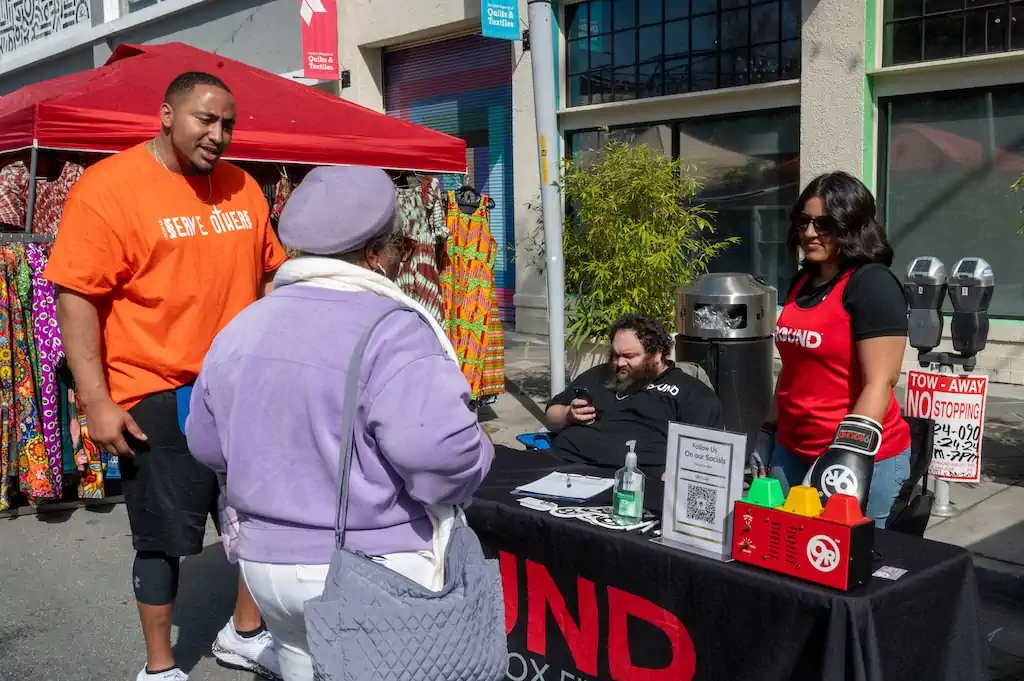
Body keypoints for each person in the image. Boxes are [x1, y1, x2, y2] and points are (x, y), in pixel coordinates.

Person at [185, 165, 495, 681]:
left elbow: (206, 443)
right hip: (372, 564)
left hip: (265, 567)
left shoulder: (242, 326)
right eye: (397, 247)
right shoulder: (392, 330)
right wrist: (480, 451)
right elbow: (440, 457)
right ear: (376, 254)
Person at [44, 72, 288, 681]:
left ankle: (244, 633)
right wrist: (96, 400)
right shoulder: (109, 188)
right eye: (205, 119)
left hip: (238, 391)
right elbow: (76, 298)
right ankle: (160, 667)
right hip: (156, 391)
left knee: (258, 521)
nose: (218, 134)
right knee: (162, 540)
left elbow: (268, 277)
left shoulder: (243, 187)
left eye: (227, 124)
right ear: (166, 114)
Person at [753, 171, 911, 528]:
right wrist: (767, 430)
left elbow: (880, 381)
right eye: (803, 222)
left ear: (851, 226)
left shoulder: (872, 284)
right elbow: (792, 368)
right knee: (783, 545)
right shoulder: (803, 280)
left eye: (823, 224)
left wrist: (848, 455)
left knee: (847, 556)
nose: (809, 233)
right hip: (791, 449)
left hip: (857, 458)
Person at [543, 314, 725, 477]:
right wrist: (568, 414)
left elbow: (706, 455)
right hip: (563, 466)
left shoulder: (690, 392)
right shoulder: (599, 375)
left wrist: (678, 476)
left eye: (629, 356)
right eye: (615, 355)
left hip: (634, 483)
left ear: (657, 354)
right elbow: (550, 418)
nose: (620, 363)